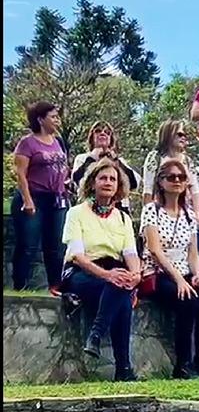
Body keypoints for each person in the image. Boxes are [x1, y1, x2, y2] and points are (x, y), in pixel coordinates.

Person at [59, 158, 140, 382]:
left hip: (113, 272)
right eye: (103, 178)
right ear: (92, 183)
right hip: (80, 273)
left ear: (119, 186)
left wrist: (135, 275)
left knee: (122, 289)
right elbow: (77, 255)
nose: (108, 182)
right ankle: (123, 367)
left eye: (113, 179)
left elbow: (131, 254)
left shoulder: (123, 218)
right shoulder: (76, 213)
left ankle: (97, 338)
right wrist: (107, 275)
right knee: (116, 285)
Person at [141, 158, 199, 379]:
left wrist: (197, 274)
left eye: (181, 177)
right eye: (171, 177)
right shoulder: (150, 210)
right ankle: (182, 364)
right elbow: (155, 250)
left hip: (184, 270)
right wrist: (179, 280)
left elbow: (192, 252)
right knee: (186, 299)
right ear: (161, 182)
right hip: (158, 272)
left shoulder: (189, 215)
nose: (176, 181)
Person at [12, 101, 70, 292]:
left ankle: (56, 286)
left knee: (55, 246)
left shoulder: (58, 141)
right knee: (28, 244)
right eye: (53, 116)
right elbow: (20, 173)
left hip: (57, 198)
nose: (57, 120)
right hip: (34, 197)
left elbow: (63, 167)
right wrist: (27, 200)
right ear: (40, 119)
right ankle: (20, 285)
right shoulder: (27, 143)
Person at [71, 121, 140, 214]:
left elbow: (134, 183)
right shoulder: (82, 158)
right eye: (98, 131)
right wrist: (92, 158)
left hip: (117, 210)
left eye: (107, 133)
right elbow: (78, 180)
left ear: (111, 139)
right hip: (89, 209)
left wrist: (115, 160)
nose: (103, 133)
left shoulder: (119, 161)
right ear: (92, 137)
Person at [143, 120, 199, 222]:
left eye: (184, 135)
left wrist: (196, 215)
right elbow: (148, 189)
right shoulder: (155, 158)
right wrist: (148, 216)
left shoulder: (187, 161)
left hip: (184, 213)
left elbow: (195, 189)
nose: (183, 137)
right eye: (179, 134)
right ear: (168, 135)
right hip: (160, 212)